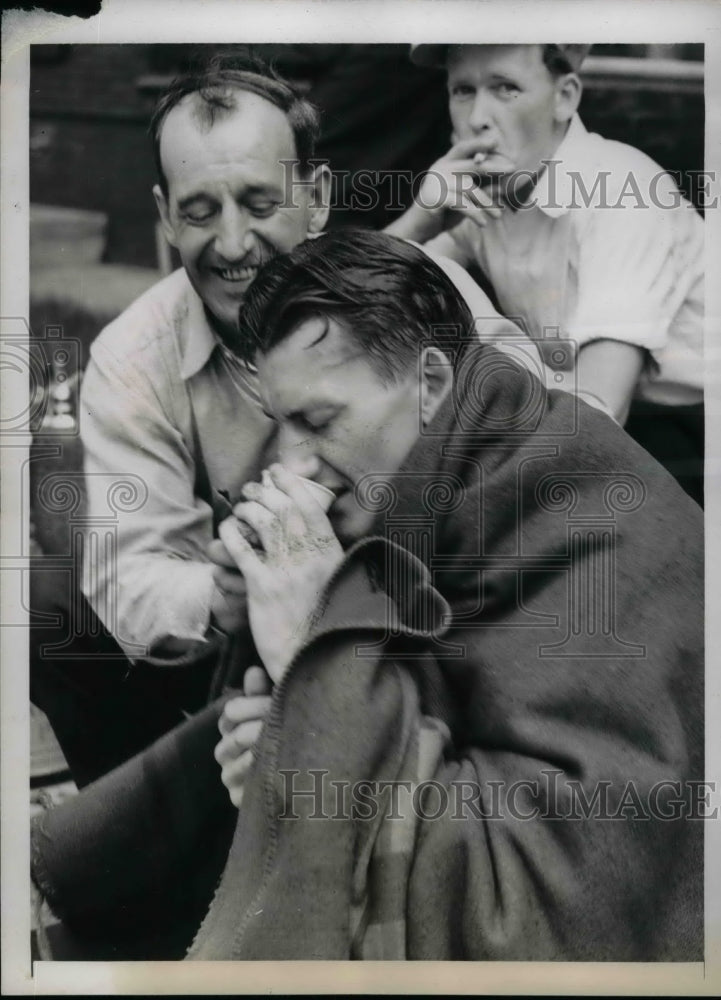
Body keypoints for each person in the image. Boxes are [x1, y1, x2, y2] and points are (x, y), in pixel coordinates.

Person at [31, 231, 702, 961]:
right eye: (278, 425)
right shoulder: (438, 468)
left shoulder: (590, 526)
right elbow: (419, 710)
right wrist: (289, 731)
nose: (291, 464)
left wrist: (316, 661)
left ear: (432, 384)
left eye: (318, 423)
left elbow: (544, 907)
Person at [30, 57, 528, 788]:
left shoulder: (412, 282)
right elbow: (131, 583)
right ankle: (164, 838)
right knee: (47, 608)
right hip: (233, 643)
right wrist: (232, 587)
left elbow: (533, 418)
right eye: (200, 211)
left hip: (423, 607)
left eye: (260, 204)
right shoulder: (135, 356)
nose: (233, 245)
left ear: (316, 197)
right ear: (166, 215)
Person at [387, 44, 704, 504]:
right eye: (463, 91)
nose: (478, 117)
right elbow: (373, 286)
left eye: (506, 88)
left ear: (565, 97)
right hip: (616, 422)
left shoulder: (621, 191)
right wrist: (421, 216)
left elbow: (600, 412)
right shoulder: (495, 194)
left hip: (692, 436)